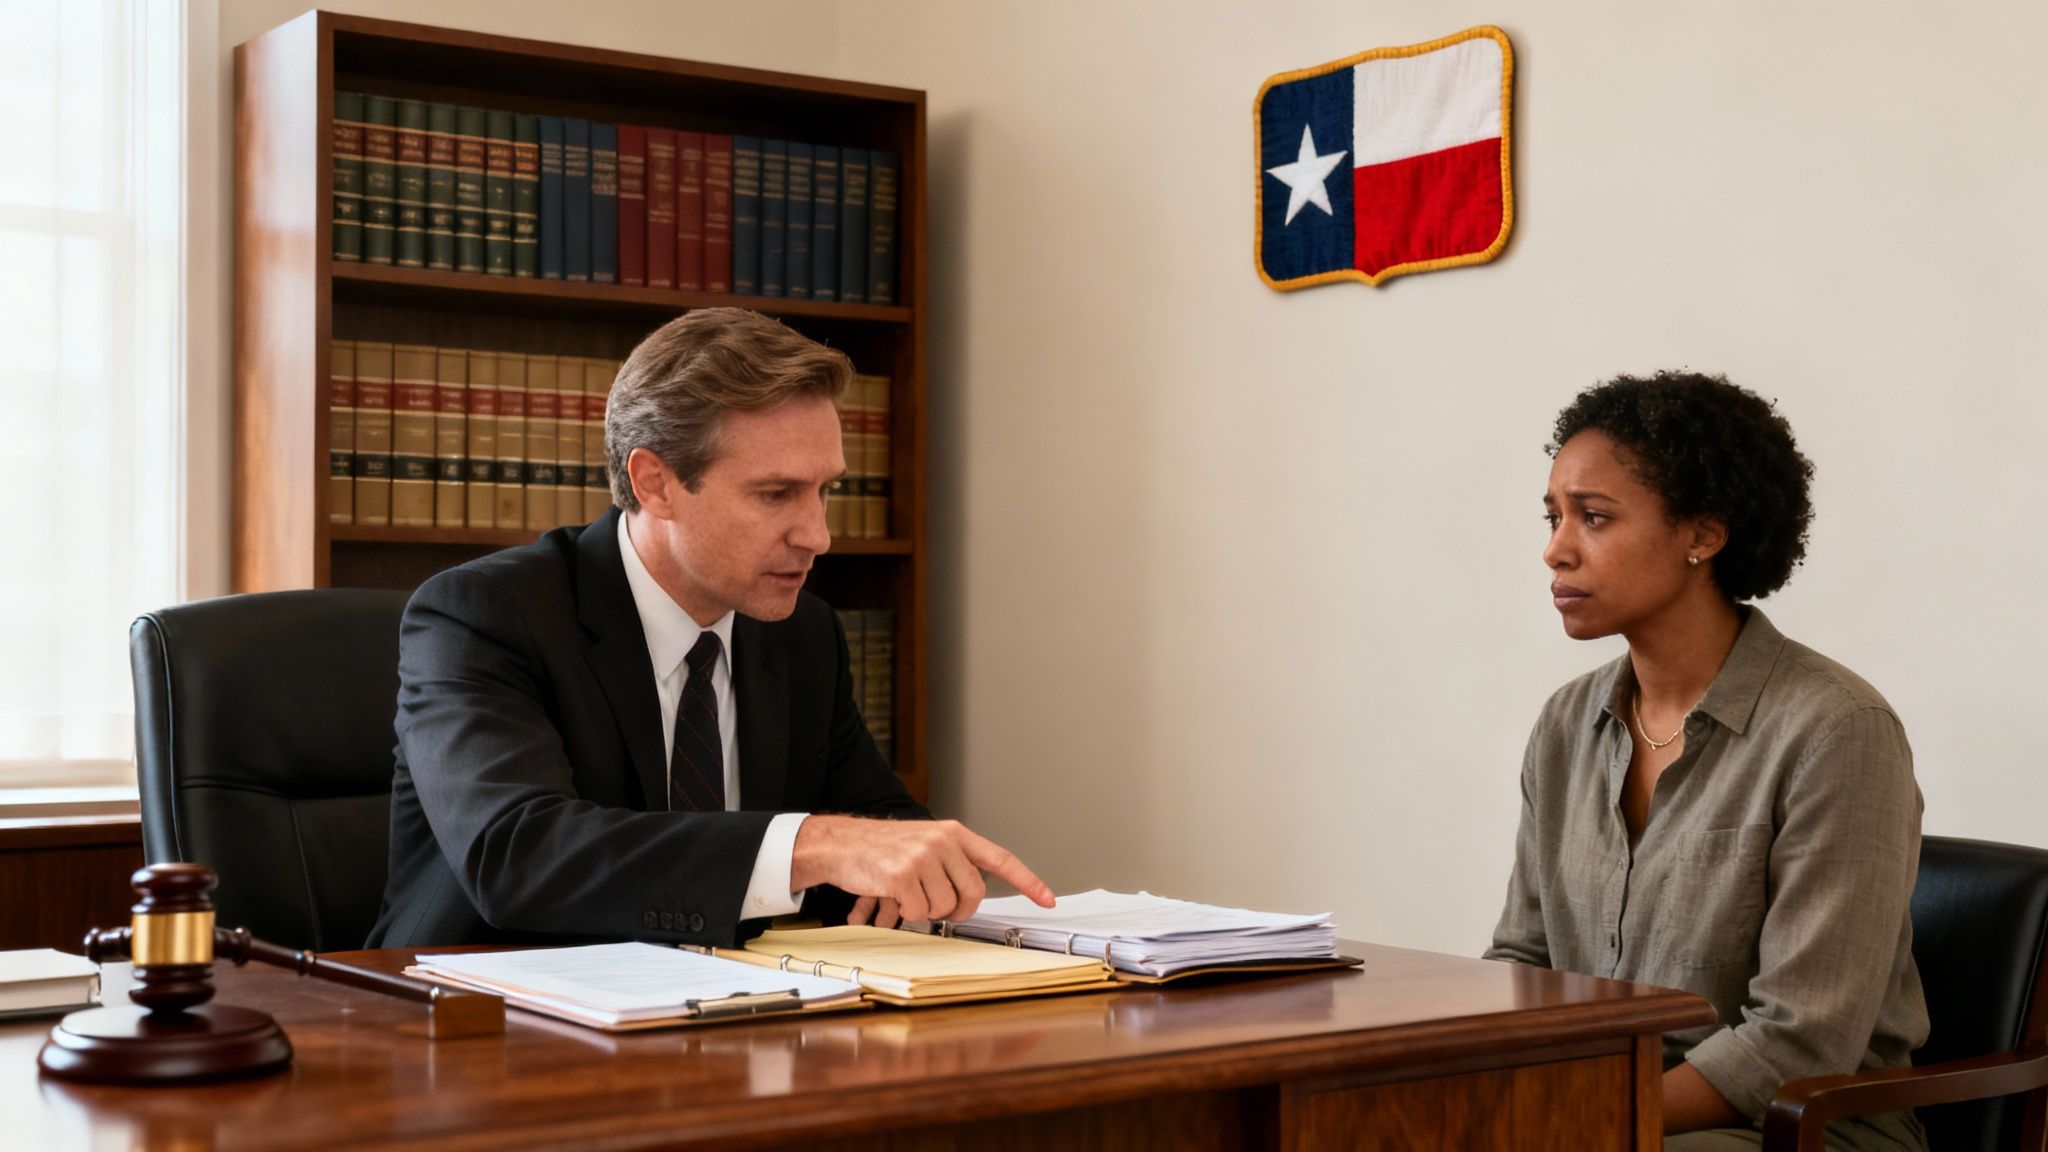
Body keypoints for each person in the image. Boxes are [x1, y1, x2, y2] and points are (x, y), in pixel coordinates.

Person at [367, 308, 1052, 948]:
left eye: (826, 491)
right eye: (776, 494)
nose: (818, 535)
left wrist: (910, 872)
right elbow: (520, 854)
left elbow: (874, 821)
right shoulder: (483, 615)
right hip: (481, 1028)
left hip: (721, 1021)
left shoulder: (801, 632)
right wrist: (812, 848)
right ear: (655, 484)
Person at [1484, 372, 1929, 1152]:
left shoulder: (1836, 731)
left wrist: (1586, 1121)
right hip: (1609, 1115)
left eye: (1593, 518)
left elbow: (1798, 1042)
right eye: (1554, 517)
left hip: (1802, 1127)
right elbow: (1524, 962)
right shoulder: (1566, 724)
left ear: (1703, 534)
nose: (1556, 549)